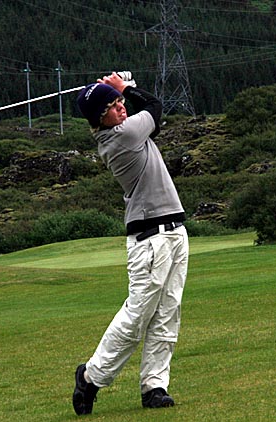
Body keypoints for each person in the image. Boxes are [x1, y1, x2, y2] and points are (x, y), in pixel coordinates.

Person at [72, 72, 189, 415]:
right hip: (149, 238)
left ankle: (154, 386)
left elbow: (152, 119)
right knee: (138, 316)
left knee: (167, 313)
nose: (121, 108)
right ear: (100, 120)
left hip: (174, 231)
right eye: (111, 106)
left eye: (120, 102)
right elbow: (155, 107)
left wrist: (122, 90)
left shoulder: (128, 131)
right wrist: (126, 87)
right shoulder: (121, 137)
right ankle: (90, 377)